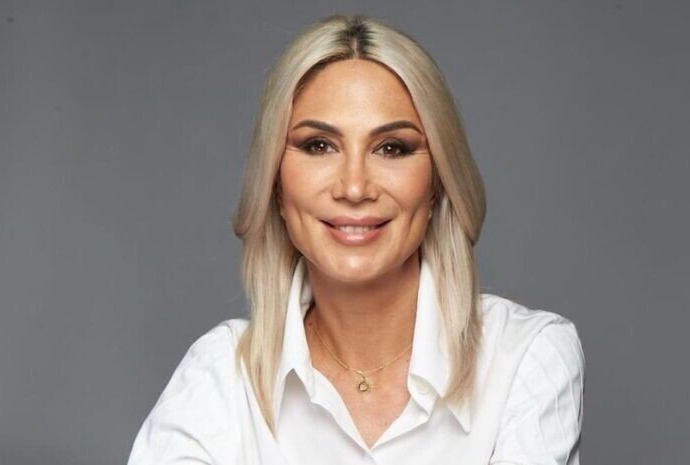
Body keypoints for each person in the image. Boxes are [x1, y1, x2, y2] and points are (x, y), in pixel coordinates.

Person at [127, 14, 585, 465]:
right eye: (318, 146)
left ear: (437, 184)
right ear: (277, 185)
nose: (353, 187)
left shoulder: (526, 358)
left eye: (391, 148)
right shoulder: (221, 375)